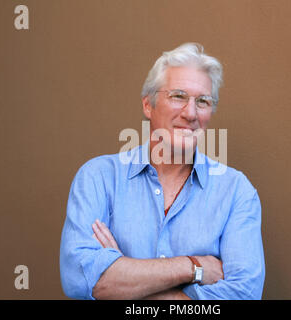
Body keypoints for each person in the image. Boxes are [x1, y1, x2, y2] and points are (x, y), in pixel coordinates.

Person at [59, 43, 265, 300]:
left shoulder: (236, 191)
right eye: (178, 96)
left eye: (203, 101)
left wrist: (125, 278)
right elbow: (79, 281)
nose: (191, 113)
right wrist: (194, 267)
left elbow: (244, 295)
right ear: (148, 105)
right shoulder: (98, 178)